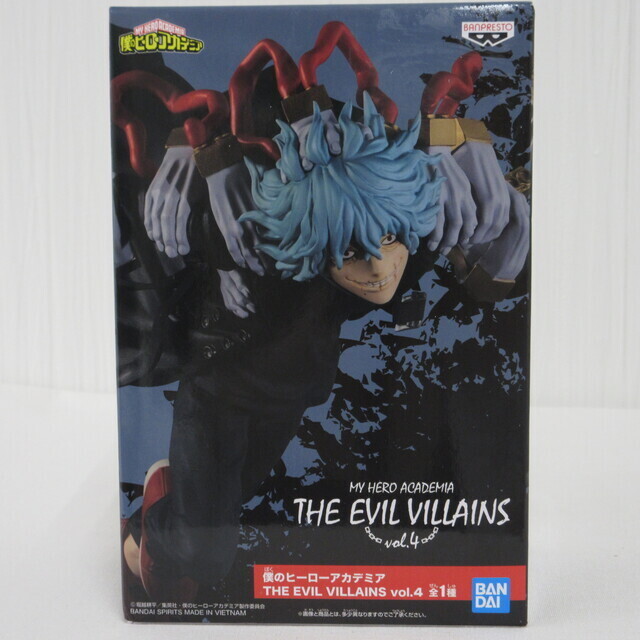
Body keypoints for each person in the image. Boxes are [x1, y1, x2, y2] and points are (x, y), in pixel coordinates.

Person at [119, 88, 530, 600]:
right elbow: (235, 120)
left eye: (389, 241)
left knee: (224, 505)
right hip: (217, 397)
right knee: (206, 553)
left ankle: (171, 515)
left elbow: (492, 275)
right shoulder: (271, 243)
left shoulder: (403, 232)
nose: (379, 270)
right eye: (352, 251)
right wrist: (193, 149)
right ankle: (139, 533)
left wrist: (461, 139)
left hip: (289, 398)